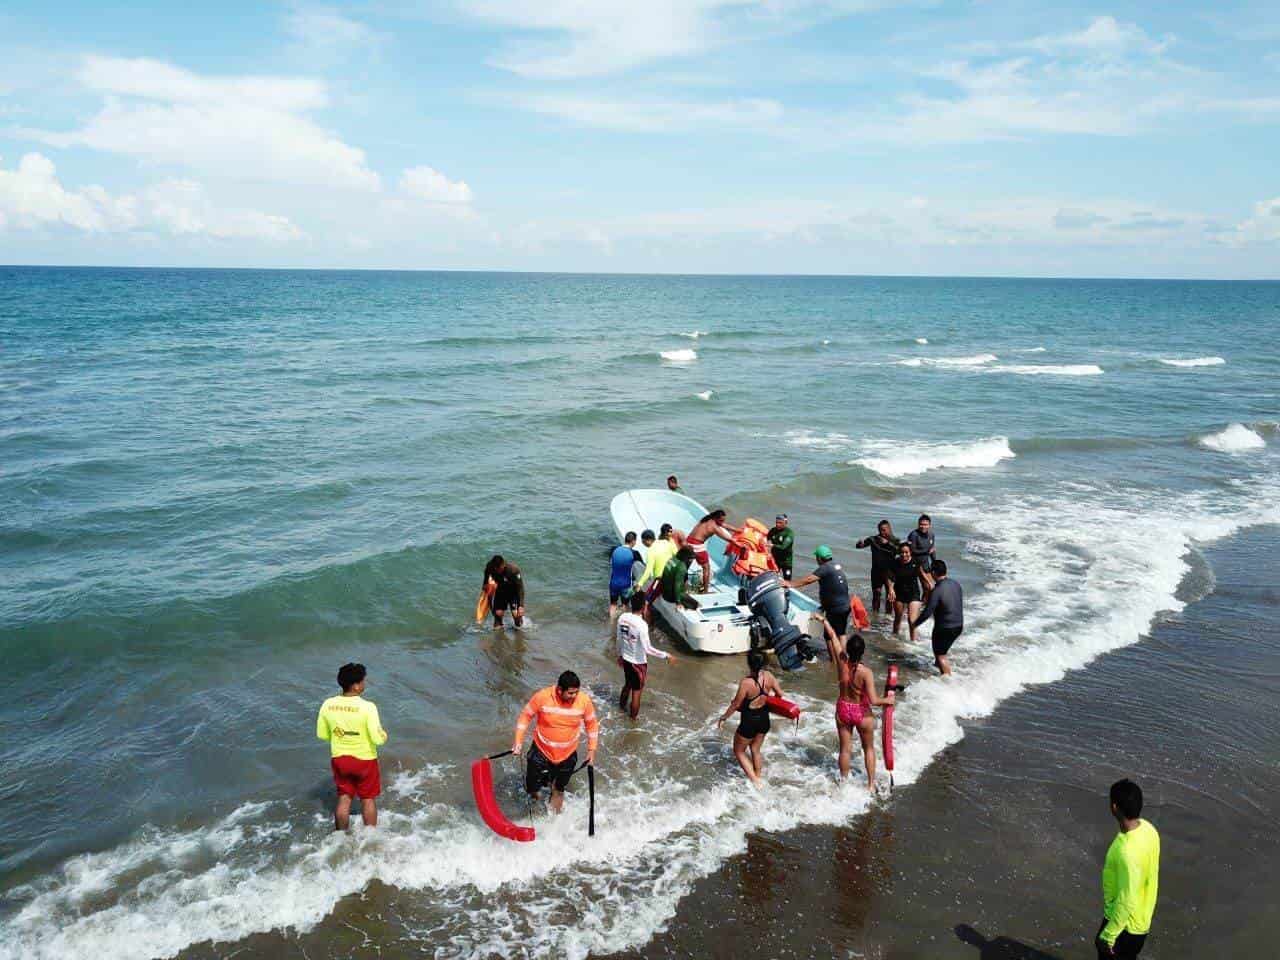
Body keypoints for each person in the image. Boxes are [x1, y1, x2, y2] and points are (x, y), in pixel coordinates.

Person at [512, 670, 599, 814]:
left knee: (558, 789)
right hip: (540, 752)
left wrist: (591, 750)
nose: (574, 696)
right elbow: (525, 716)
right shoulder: (542, 696)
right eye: (570, 693)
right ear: (559, 690)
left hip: (567, 755)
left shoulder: (584, 701)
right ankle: (535, 809)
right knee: (532, 788)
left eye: (576, 692)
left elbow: (592, 725)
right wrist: (518, 741)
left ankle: (554, 824)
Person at [316, 662, 388, 831]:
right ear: (356, 686)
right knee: (367, 799)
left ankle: (340, 836)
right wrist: (384, 735)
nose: (365, 684)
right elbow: (377, 739)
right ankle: (370, 836)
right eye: (363, 681)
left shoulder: (328, 704)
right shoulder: (368, 707)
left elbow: (323, 734)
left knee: (344, 797)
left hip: (340, 758)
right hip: (365, 761)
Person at [822, 624, 894, 788]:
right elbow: (874, 700)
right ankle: (870, 784)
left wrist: (823, 620)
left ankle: (844, 784)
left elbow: (833, 636)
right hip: (861, 712)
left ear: (848, 650)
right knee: (868, 748)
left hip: (842, 710)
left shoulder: (842, 662)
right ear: (862, 652)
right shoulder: (866, 672)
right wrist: (887, 701)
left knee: (845, 750)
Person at [1097, 779, 1160, 958]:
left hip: (1123, 926)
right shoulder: (1149, 829)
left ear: (1114, 807)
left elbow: (1127, 899)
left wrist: (1107, 936)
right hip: (1142, 920)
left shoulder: (1126, 852)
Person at [715, 650, 783, 786]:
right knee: (755, 749)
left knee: (739, 751)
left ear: (749, 664)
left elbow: (736, 704)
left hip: (749, 721)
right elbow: (780, 694)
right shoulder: (769, 676)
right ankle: (758, 776)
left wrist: (724, 717)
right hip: (764, 718)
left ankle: (755, 781)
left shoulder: (746, 682)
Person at [617, 592, 677, 718]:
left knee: (627, 684)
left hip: (626, 659)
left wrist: (620, 655)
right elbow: (648, 649)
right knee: (636, 692)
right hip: (638, 664)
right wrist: (666, 655)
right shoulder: (641, 625)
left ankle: (621, 708)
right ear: (644, 606)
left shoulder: (622, 618)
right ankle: (632, 720)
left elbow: (619, 638)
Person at [785, 545, 853, 638]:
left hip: (835, 609)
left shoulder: (825, 568)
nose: (816, 560)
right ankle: (843, 652)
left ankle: (834, 652)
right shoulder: (835, 565)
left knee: (829, 636)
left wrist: (790, 584)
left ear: (820, 558)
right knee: (841, 633)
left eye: (816, 557)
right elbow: (835, 587)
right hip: (846, 606)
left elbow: (809, 580)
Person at [911, 558, 963, 675]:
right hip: (958, 626)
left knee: (941, 656)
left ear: (933, 573)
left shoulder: (938, 590)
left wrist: (915, 624)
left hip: (945, 628)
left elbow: (928, 611)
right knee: (940, 651)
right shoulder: (956, 584)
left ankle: (948, 681)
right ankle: (937, 673)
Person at [686, 509, 740, 592]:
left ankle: (683, 583)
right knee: (706, 568)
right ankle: (706, 591)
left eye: (723, 520)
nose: (722, 522)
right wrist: (742, 545)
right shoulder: (714, 527)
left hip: (688, 542)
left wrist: (738, 530)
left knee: (686, 565)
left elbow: (724, 525)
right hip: (697, 546)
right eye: (721, 520)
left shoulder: (706, 519)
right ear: (716, 518)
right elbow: (729, 539)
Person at [855, 520, 900, 613]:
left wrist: (887, 543)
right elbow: (860, 546)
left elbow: (899, 551)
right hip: (876, 571)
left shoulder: (895, 540)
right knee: (877, 594)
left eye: (884, 530)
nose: (882, 532)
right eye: (880, 530)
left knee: (889, 596)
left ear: (889, 529)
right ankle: (875, 615)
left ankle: (887, 617)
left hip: (890, 572)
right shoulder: (873, 539)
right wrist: (859, 544)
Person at [887, 540, 923, 644]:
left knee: (912, 620)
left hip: (914, 593)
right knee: (898, 618)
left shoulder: (916, 562)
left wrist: (930, 587)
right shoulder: (895, 563)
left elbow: (923, 578)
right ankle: (894, 638)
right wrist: (890, 589)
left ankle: (914, 643)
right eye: (902, 552)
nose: (904, 555)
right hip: (899, 593)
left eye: (906, 552)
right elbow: (890, 577)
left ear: (910, 552)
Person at [483, 555, 525, 627]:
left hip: (513, 592)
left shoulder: (513, 570)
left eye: (499, 569)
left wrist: (521, 606)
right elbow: (486, 579)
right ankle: (499, 636)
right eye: (495, 569)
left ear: (503, 565)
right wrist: (485, 584)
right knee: (497, 617)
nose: (497, 571)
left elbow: (520, 588)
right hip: (501, 591)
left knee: (517, 620)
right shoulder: (490, 567)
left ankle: (520, 633)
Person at [609, 531, 644, 617]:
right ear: (633, 541)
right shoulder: (634, 553)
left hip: (613, 583)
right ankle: (623, 622)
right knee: (625, 605)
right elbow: (643, 566)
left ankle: (611, 623)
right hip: (626, 584)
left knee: (613, 604)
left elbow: (611, 561)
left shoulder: (614, 550)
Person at [661, 545, 699, 609]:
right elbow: (677, 586)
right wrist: (678, 602)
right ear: (685, 556)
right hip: (671, 597)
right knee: (697, 605)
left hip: (664, 593)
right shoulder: (681, 567)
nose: (691, 559)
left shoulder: (671, 559)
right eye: (690, 557)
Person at [906, 514, 937, 595]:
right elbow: (912, 551)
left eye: (925, 524)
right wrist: (927, 551)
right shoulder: (914, 535)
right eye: (921, 524)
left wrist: (935, 563)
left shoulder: (931, 535)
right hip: (914, 565)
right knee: (914, 588)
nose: (923, 526)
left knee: (930, 588)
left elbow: (932, 551)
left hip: (925, 564)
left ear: (929, 525)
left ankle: (924, 605)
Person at [768, 514, 795, 580]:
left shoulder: (789, 533)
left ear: (785, 523)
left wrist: (772, 545)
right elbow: (766, 538)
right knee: (772, 578)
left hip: (786, 562)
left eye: (780, 523)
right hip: (775, 560)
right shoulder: (773, 530)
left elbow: (783, 547)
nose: (777, 524)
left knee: (787, 579)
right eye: (776, 522)